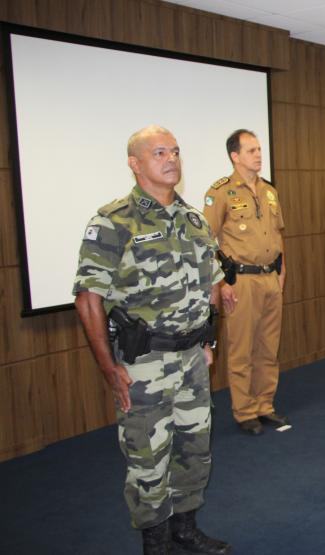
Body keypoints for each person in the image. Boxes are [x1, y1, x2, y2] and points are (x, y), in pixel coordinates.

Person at [73, 125, 231, 554]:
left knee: (195, 450)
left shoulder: (194, 219)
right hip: (144, 365)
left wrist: (208, 341)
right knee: (147, 458)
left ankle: (185, 526)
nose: (171, 159)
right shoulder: (113, 221)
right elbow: (89, 300)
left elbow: (210, 287)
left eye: (176, 151)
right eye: (159, 152)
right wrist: (109, 368)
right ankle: (155, 541)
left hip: (193, 360)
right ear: (135, 163)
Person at [204, 129, 287, 436]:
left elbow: (278, 234)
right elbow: (205, 241)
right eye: (251, 150)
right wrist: (221, 284)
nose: (258, 155)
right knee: (242, 350)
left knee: (268, 347)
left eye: (259, 149)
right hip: (240, 281)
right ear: (235, 156)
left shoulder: (269, 191)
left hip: (269, 278)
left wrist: (283, 270)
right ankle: (245, 411)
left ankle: (265, 405)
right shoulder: (221, 192)